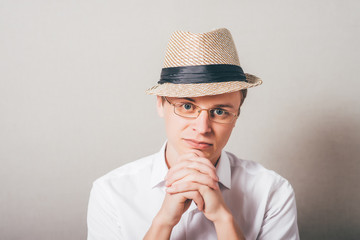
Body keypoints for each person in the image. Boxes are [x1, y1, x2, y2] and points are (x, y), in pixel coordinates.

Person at [87, 28, 300, 240]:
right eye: (187, 107)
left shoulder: (272, 191)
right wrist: (163, 222)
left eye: (220, 112)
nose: (202, 128)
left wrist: (223, 218)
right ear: (160, 104)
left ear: (236, 117)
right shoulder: (111, 192)